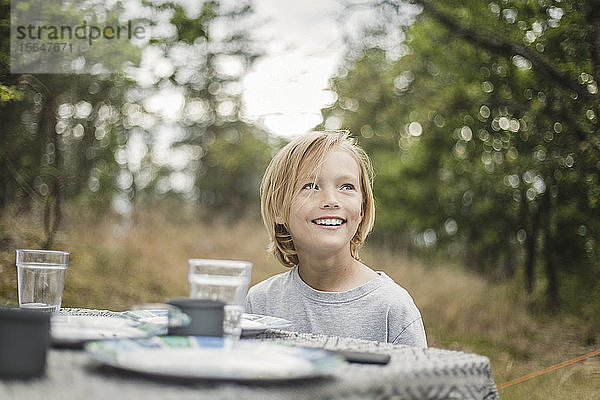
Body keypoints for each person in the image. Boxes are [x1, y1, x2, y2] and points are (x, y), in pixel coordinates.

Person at [245, 130, 427, 347]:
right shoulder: (260, 302)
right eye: (310, 186)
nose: (331, 201)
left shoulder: (392, 309)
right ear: (279, 209)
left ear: (362, 209)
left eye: (346, 187)